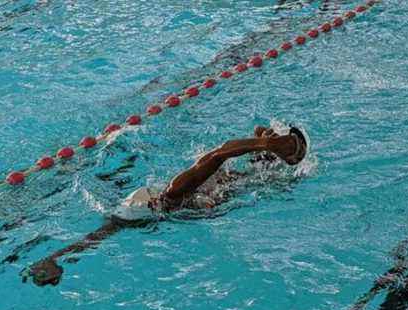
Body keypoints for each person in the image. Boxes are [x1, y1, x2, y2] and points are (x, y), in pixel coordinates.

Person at [28, 122, 309, 286]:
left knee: (224, 175)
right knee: (227, 179)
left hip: (199, 198)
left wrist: (55, 257)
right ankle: (271, 150)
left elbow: (93, 239)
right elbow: (216, 156)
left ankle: (268, 150)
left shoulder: (171, 196)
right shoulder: (177, 197)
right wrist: (55, 257)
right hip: (202, 202)